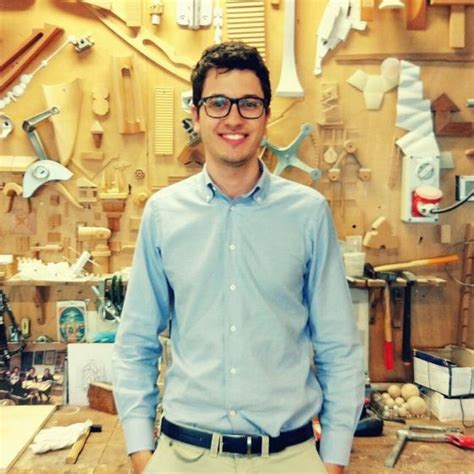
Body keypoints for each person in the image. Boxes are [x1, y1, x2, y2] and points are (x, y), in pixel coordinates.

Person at [113, 41, 365, 474]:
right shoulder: (163, 214)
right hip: (183, 456)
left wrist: (334, 459)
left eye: (249, 104)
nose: (233, 118)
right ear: (196, 115)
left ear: (266, 116)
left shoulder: (308, 214)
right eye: (217, 103)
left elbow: (338, 345)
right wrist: (141, 453)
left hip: (289, 457)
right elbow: (135, 342)